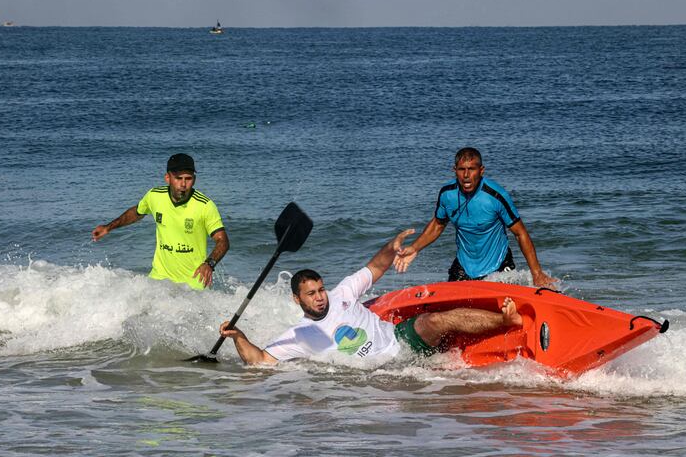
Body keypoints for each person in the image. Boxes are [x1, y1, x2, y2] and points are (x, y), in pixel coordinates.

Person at [218, 229, 522, 365]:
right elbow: (259, 360)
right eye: (311, 294)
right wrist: (238, 337)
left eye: (321, 289)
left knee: (437, 319)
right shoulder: (301, 335)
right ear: (298, 300)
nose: (321, 297)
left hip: (400, 342)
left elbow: (375, 267)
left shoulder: (343, 293)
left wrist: (392, 247)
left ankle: (506, 321)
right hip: (381, 374)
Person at [393, 147, 555, 288]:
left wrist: (537, 273)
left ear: (481, 170)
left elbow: (521, 233)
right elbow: (438, 224)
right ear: (454, 170)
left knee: (501, 313)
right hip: (465, 265)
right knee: (449, 310)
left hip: (498, 265)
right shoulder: (447, 194)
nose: (466, 175)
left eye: (472, 169)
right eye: (461, 169)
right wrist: (414, 248)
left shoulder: (496, 196)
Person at [92, 153, 229, 290]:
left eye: (188, 179)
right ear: (168, 178)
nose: (183, 184)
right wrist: (108, 227)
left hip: (193, 283)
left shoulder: (205, 205)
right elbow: (137, 212)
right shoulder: (155, 196)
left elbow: (223, 241)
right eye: (178, 178)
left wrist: (209, 264)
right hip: (159, 280)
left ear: (194, 180)